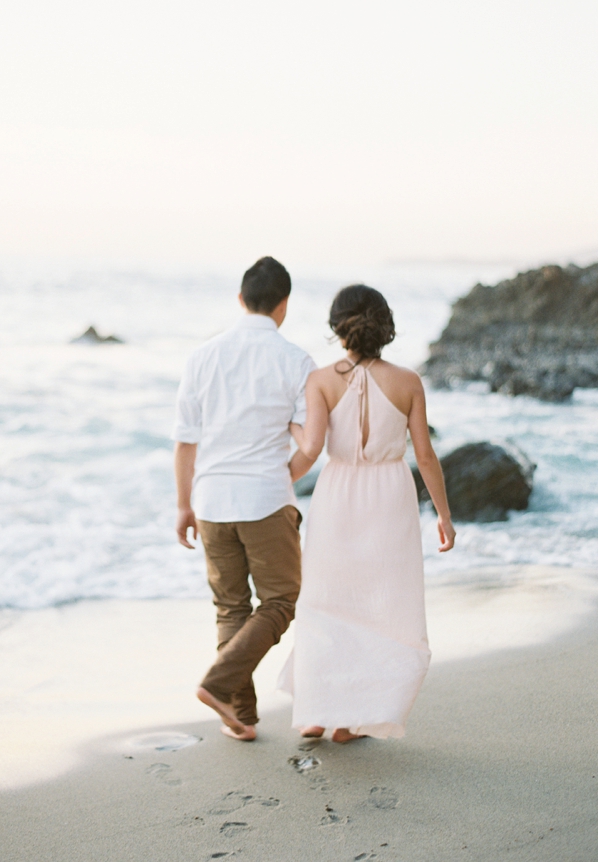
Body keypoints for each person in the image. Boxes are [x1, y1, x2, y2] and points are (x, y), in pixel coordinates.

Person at [280, 283, 456, 743]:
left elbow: (311, 449)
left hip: (337, 494)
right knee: (380, 606)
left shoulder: (320, 379)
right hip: (389, 497)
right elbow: (427, 455)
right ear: (384, 328)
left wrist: (274, 483)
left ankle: (316, 713)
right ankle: (351, 719)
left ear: (338, 329)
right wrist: (444, 515)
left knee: (326, 599)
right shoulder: (408, 381)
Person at [173, 256, 315, 741]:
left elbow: (185, 440)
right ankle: (218, 683)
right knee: (281, 600)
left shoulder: (202, 356)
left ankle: (241, 716)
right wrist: (285, 478)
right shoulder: (296, 360)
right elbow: (309, 440)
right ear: (284, 305)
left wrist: (182, 504)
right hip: (264, 500)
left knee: (231, 607)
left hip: (211, 499)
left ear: (240, 300)